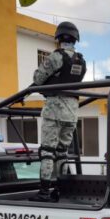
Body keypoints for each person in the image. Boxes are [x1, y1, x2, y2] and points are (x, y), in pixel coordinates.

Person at [32, 21, 87, 201]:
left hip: (55, 109)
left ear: (59, 38)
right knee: (63, 151)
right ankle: (62, 188)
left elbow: (38, 78)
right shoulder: (81, 61)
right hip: (72, 112)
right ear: (75, 40)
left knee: (48, 151)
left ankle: (44, 192)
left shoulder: (56, 57)